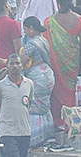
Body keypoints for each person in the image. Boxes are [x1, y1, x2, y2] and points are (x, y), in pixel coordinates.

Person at [47, 0, 81, 128]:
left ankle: (58, 122)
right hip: (72, 63)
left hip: (55, 64)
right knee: (70, 90)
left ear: (58, 4)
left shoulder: (49, 21)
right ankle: (69, 121)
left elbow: (45, 44)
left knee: (56, 91)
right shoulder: (80, 20)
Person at [19, 18, 57, 146]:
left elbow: (21, 61)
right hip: (47, 74)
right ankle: (48, 135)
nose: (24, 32)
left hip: (37, 76)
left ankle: (36, 139)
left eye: (25, 29)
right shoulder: (43, 40)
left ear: (31, 28)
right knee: (45, 104)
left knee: (34, 106)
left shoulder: (31, 44)